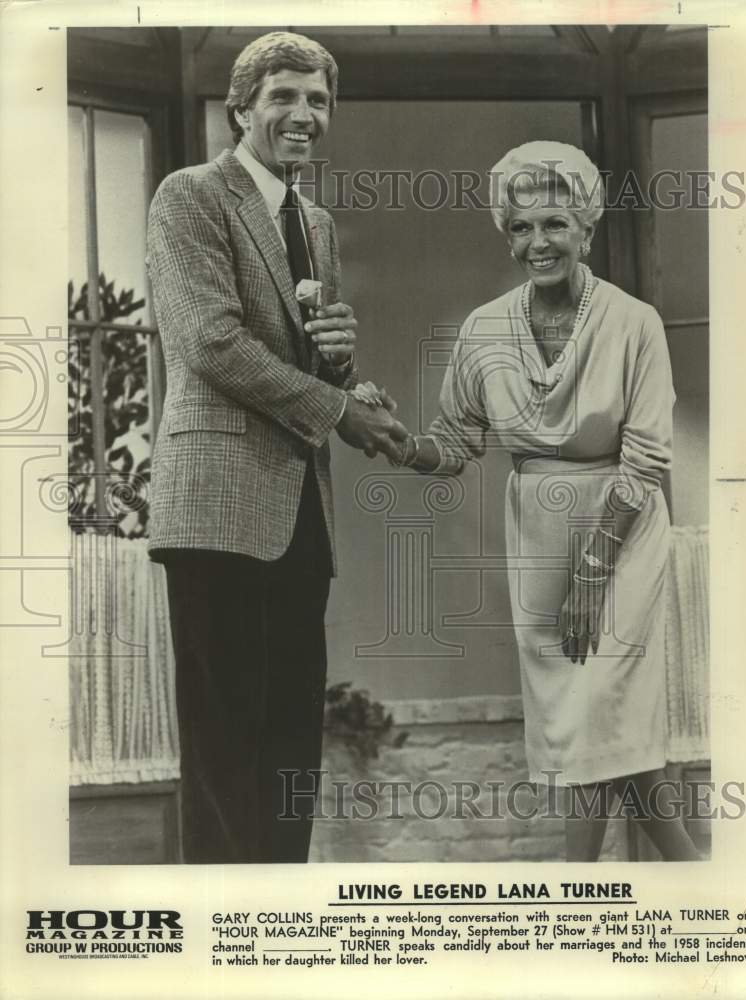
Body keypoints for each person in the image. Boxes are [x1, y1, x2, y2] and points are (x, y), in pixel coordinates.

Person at [379, 140, 700, 861]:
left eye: (555, 224)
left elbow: (647, 456)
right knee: (605, 733)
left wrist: (593, 569)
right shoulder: (483, 329)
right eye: (521, 227)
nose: (538, 242)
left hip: (621, 528)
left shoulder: (634, 322)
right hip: (538, 535)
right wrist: (397, 441)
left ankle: (570, 892)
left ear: (586, 228)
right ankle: (696, 879)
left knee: (597, 715)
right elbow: (456, 441)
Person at [145, 31, 407, 864]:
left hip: (298, 512)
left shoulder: (314, 223)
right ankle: (221, 928)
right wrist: (337, 410)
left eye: (318, 100)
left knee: (290, 740)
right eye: (283, 96)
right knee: (225, 743)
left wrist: (345, 371)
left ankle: (277, 917)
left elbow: (305, 366)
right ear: (240, 109)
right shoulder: (191, 196)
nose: (304, 114)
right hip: (216, 508)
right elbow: (210, 343)